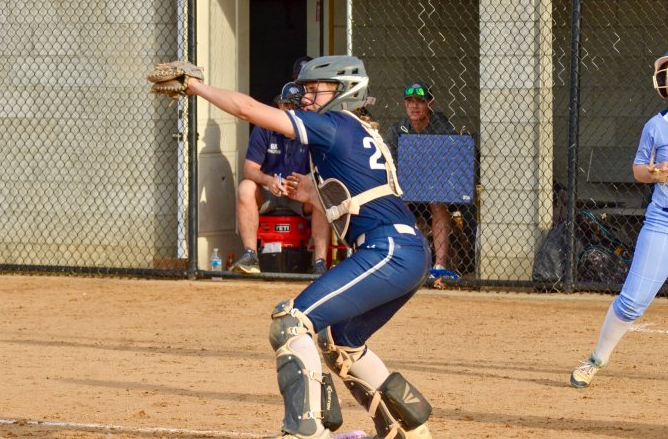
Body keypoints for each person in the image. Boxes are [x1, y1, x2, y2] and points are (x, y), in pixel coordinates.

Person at [176, 55, 434, 438]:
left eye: (317, 89)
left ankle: (306, 431)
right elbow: (342, 194)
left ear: (345, 91)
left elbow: (247, 109)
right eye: (308, 90)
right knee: (338, 342)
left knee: (291, 321)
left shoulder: (333, 124)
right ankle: (407, 430)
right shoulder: (357, 129)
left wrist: (194, 88)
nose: (309, 97)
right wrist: (308, 190)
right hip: (402, 249)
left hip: (388, 249)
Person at [570, 44, 668, 389]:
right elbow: (638, 170)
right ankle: (596, 359)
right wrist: (656, 172)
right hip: (666, 221)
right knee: (633, 300)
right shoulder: (656, 125)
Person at [232, 82, 330, 275]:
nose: (289, 111)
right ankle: (250, 255)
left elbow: (324, 171)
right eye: (286, 105)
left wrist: (304, 183)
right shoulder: (265, 127)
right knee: (246, 187)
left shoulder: (312, 129)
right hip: (271, 190)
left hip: (300, 193)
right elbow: (249, 170)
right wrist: (268, 180)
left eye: (295, 106)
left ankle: (319, 263)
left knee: (322, 195)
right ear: (279, 106)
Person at [384, 82, 457, 273]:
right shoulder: (399, 127)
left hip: (435, 184)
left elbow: (451, 156)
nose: (414, 106)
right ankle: (407, 260)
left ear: (430, 104)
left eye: (420, 102)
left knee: (438, 203)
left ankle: (439, 265)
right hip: (406, 183)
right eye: (410, 101)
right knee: (399, 201)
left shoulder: (441, 126)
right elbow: (389, 158)